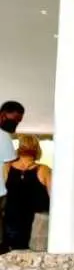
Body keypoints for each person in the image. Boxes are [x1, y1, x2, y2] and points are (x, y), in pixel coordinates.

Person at [2, 134, 51, 250]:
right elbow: (55, 197)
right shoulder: (43, 170)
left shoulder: (6, 168)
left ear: (19, 148)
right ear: (37, 150)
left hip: (10, 223)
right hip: (36, 225)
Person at [0, 100, 25, 254]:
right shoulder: (3, 136)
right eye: (15, 120)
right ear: (3, 115)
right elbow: (11, 164)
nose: (16, 124)